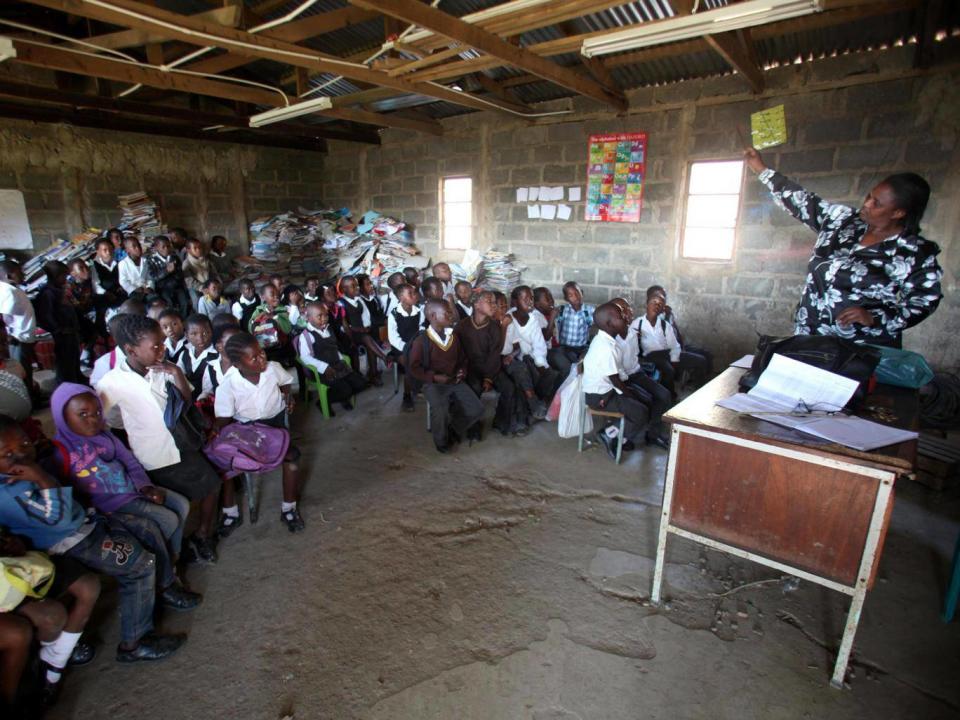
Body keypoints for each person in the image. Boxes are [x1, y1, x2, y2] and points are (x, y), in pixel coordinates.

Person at [0, 416, 189, 663]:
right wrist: (42, 478)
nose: (21, 455)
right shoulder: (10, 490)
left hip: (87, 526)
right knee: (140, 566)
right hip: (70, 541)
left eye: (25, 444)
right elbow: (60, 520)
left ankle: (163, 591)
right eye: (7, 453)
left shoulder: (23, 474)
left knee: (145, 531)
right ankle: (135, 642)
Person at [745, 146, 943, 347]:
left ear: (898, 213)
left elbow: (925, 300)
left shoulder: (913, 252)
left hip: (860, 345)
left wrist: (875, 317)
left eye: (877, 203)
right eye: (869, 196)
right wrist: (760, 168)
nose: (866, 204)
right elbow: (801, 201)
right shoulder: (842, 221)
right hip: (810, 332)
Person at [97, 315, 223, 564]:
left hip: (181, 445)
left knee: (211, 486)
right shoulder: (111, 383)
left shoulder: (163, 368)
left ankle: (202, 535)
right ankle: (177, 551)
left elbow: (187, 401)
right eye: (156, 346)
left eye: (163, 343)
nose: (162, 349)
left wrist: (175, 371)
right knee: (173, 506)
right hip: (152, 456)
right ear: (131, 350)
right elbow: (112, 421)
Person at [51, 383, 193, 577]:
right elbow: (66, 493)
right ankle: (164, 565)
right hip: (107, 506)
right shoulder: (60, 451)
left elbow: (130, 463)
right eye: (82, 414)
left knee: (181, 504)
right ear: (62, 416)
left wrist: (145, 487)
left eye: (97, 412)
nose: (92, 419)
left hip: (131, 491)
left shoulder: (106, 436)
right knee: (167, 520)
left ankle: (173, 556)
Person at [215, 332, 305, 532]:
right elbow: (223, 421)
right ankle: (230, 511)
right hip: (246, 431)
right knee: (224, 463)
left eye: (261, 352)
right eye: (254, 357)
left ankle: (288, 508)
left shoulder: (273, 369)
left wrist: (287, 396)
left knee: (292, 457)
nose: (262, 358)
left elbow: (286, 383)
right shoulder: (228, 385)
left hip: (275, 427)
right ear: (238, 364)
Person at [2, 528, 100, 707]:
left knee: (88, 586)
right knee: (50, 618)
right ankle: (51, 669)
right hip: (10, 585)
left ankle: (57, 659)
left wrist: (12, 542)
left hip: (19, 567)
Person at [407, 300, 484, 453]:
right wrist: (435, 377)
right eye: (447, 312)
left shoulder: (453, 336)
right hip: (433, 383)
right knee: (440, 410)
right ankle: (441, 442)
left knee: (477, 409)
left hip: (454, 380)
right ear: (433, 316)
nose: (452, 315)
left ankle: (453, 429)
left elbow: (463, 359)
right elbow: (413, 368)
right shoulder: (422, 341)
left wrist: (462, 371)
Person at [582, 304, 650, 460]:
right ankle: (609, 434)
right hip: (598, 397)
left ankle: (623, 437)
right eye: (620, 317)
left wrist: (629, 392)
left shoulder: (606, 340)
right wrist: (629, 394)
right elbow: (615, 380)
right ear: (609, 324)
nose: (625, 318)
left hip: (608, 390)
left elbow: (616, 378)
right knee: (640, 411)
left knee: (645, 400)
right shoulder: (606, 348)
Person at [455, 291, 518, 437]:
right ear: (477, 305)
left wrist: (489, 377)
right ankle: (473, 426)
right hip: (470, 368)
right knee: (474, 388)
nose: (494, 305)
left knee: (508, 388)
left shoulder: (494, 328)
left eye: (495, 302)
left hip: (490, 367)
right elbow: (458, 352)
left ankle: (501, 422)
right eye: (490, 301)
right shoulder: (462, 326)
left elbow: (494, 355)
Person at [611, 298, 671, 450]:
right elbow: (615, 371)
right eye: (624, 310)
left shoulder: (632, 332)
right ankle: (623, 436)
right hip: (621, 379)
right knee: (644, 400)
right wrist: (629, 384)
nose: (630, 312)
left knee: (664, 395)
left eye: (629, 308)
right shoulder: (612, 338)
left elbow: (635, 359)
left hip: (636, 373)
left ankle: (653, 433)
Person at [296, 302, 366, 415]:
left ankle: (343, 397)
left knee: (361, 383)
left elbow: (333, 347)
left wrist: (341, 359)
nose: (324, 319)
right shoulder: (306, 336)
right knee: (345, 389)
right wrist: (324, 367)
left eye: (326, 315)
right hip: (322, 371)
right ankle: (324, 401)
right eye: (319, 316)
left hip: (337, 365)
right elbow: (305, 357)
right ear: (308, 318)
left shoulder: (328, 329)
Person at [502, 285, 557, 421]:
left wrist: (540, 362)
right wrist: (519, 355)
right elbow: (507, 349)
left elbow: (539, 345)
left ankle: (537, 402)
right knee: (523, 370)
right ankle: (533, 402)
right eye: (525, 299)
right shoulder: (509, 319)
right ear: (515, 302)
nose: (530, 302)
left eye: (531, 298)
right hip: (508, 358)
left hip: (526, 356)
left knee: (549, 373)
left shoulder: (532, 319)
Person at [647, 285, 713, 387]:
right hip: (665, 352)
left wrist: (682, 347)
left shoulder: (667, 313)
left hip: (677, 347)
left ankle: (700, 383)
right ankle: (696, 389)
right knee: (701, 361)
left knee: (707, 354)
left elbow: (676, 331)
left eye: (663, 297)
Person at [34, 262, 84, 385]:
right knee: (65, 360)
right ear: (55, 276)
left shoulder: (60, 290)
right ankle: (67, 384)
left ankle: (77, 378)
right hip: (62, 333)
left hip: (71, 330)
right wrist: (57, 329)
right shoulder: (48, 293)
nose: (66, 279)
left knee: (74, 356)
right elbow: (46, 315)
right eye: (63, 276)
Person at [338, 276, 389, 386]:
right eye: (353, 286)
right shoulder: (341, 303)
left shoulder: (359, 300)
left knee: (370, 343)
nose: (357, 288)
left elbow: (366, 316)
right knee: (367, 338)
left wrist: (367, 327)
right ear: (344, 289)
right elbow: (342, 326)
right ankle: (384, 358)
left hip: (362, 333)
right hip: (349, 335)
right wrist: (357, 329)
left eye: (356, 285)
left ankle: (373, 374)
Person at [0, 261, 37, 400]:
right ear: (9, 275)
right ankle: (28, 401)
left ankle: (32, 396)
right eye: (19, 272)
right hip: (18, 338)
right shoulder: (9, 292)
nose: (23, 274)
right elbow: (2, 316)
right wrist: (9, 336)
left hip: (23, 336)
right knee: (22, 372)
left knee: (26, 368)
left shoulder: (12, 289)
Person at [387, 283, 423, 412]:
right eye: (411, 294)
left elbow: (422, 328)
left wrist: (417, 345)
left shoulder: (419, 310)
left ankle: (418, 386)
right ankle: (407, 396)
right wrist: (407, 347)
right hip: (400, 348)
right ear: (401, 298)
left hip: (416, 345)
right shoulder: (394, 314)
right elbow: (393, 337)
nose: (415, 295)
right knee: (409, 362)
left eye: (415, 292)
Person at [550, 281, 595, 377]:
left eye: (577, 293)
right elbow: (554, 327)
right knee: (571, 367)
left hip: (582, 347)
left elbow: (595, 325)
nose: (575, 297)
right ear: (566, 298)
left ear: (582, 293)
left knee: (586, 363)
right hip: (565, 347)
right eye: (570, 295)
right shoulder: (562, 310)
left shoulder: (590, 310)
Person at [90, 238, 128, 337]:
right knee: (100, 305)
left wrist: (123, 286)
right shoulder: (94, 265)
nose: (109, 252)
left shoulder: (120, 261)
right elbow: (96, 285)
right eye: (105, 250)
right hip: (105, 294)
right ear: (98, 251)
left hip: (120, 291)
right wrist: (106, 293)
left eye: (111, 249)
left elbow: (125, 277)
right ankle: (104, 332)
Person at [145, 236, 191, 316]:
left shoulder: (174, 257)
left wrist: (176, 273)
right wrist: (166, 271)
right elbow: (153, 277)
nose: (166, 249)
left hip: (176, 286)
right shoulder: (151, 260)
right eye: (163, 247)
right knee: (169, 305)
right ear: (156, 248)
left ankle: (183, 320)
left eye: (168, 246)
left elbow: (181, 273)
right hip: (163, 288)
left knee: (185, 303)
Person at [180, 314, 219, 401]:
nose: (200, 338)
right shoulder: (184, 354)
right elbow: (179, 376)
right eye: (194, 334)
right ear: (186, 336)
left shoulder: (216, 356)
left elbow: (208, 389)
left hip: (206, 402)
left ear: (211, 332)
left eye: (205, 333)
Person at [182, 239, 216, 311]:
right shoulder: (187, 264)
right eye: (195, 248)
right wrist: (201, 288)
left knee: (216, 295)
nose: (198, 250)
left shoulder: (206, 259)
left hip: (208, 283)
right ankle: (199, 316)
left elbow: (213, 273)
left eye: (200, 247)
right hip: (195, 286)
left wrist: (214, 283)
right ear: (189, 250)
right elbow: (189, 281)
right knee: (197, 300)